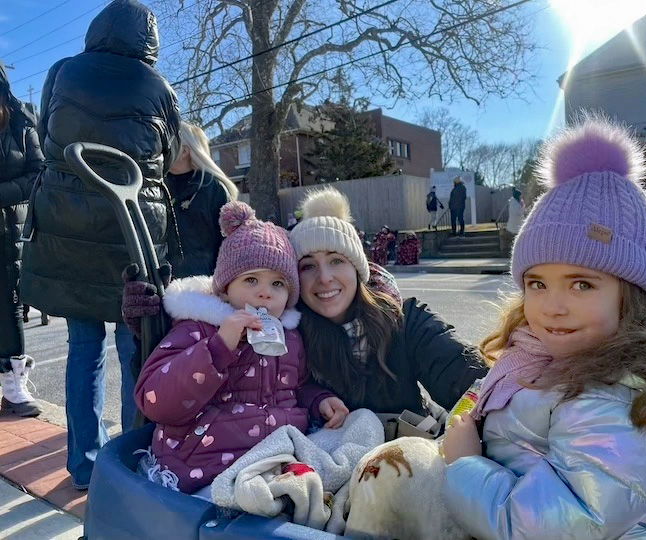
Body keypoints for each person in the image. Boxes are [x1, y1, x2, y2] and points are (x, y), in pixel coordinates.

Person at [441, 118, 646, 539]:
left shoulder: (625, 403)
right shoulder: (543, 357)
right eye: (537, 283)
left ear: (633, 293)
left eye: (582, 284)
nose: (552, 307)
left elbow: (543, 528)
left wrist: (463, 465)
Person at [19, 0, 181, 490]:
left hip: (66, 226)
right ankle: (134, 458)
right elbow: (169, 154)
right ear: (147, 40)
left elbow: (47, 131)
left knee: (83, 347)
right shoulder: (159, 89)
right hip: (130, 228)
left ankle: (85, 465)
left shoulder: (62, 72)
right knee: (136, 342)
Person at [134, 201, 347, 493]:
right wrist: (219, 347)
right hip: (205, 464)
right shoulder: (198, 328)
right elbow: (154, 400)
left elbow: (296, 388)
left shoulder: (290, 337)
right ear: (225, 287)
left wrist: (318, 400)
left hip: (273, 457)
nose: (265, 293)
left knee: (360, 429)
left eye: (278, 284)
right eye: (251, 280)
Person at [289, 187, 487, 415]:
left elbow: (471, 383)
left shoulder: (405, 321)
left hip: (407, 447)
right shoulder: (288, 341)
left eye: (336, 261)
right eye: (308, 266)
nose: (324, 278)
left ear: (357, 269)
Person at [0, 62, 43, 417]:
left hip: (8, 229)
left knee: (9, 306)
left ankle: (14, 387)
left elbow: (38, 174)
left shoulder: (20, 122)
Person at [165, 122, 237, 279]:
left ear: (184, 151)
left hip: (204, 286)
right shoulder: (156, 187)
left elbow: (229, 243)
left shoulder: (213, 189)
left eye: (166, 142)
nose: (160, 148)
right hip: (162, 285)